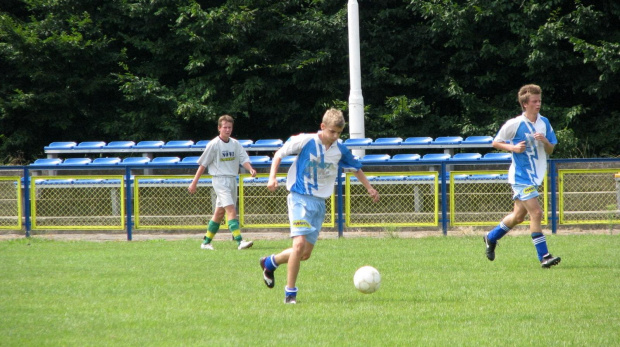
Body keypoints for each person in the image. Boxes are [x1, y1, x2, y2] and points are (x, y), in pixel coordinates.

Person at [259, 108, 380, 304]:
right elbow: (279, 154)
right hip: (299, 198)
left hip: (319, 203)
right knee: (298, 245)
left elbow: (356, 169)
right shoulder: (305, 140)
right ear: (322, 127)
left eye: (339, 133)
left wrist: (370, 188)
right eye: (332, 132)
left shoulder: (340, 149)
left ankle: (270, 262)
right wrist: (272, 177)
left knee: (304, 254)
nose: (335, 136)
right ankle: (290, 294)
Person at [483, 84, 561, 268]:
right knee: (536, 213)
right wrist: (513, 148)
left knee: (518, 217)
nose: (538, 104)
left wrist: (545, 141)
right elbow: (496, 142)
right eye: (534, 101)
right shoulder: (515, 123)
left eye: (539, 100)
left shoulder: (544, 123)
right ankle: (544, 256)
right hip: (520, 176)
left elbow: (551, 149)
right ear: (525, 104)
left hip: (535, 177)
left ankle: (490, 237)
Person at [188, 114, 256, 250]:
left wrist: (250, 169)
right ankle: (239, 241)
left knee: (219, 213)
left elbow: (244, 159)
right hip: (220, 180)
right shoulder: (213, 144)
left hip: (231, 180)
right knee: (231, 209)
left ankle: (206, 242)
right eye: (225, 127)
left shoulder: (235, 144)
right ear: (219, 128)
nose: (227, 130)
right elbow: (203, 164)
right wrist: (194, 182)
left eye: (229, 127)